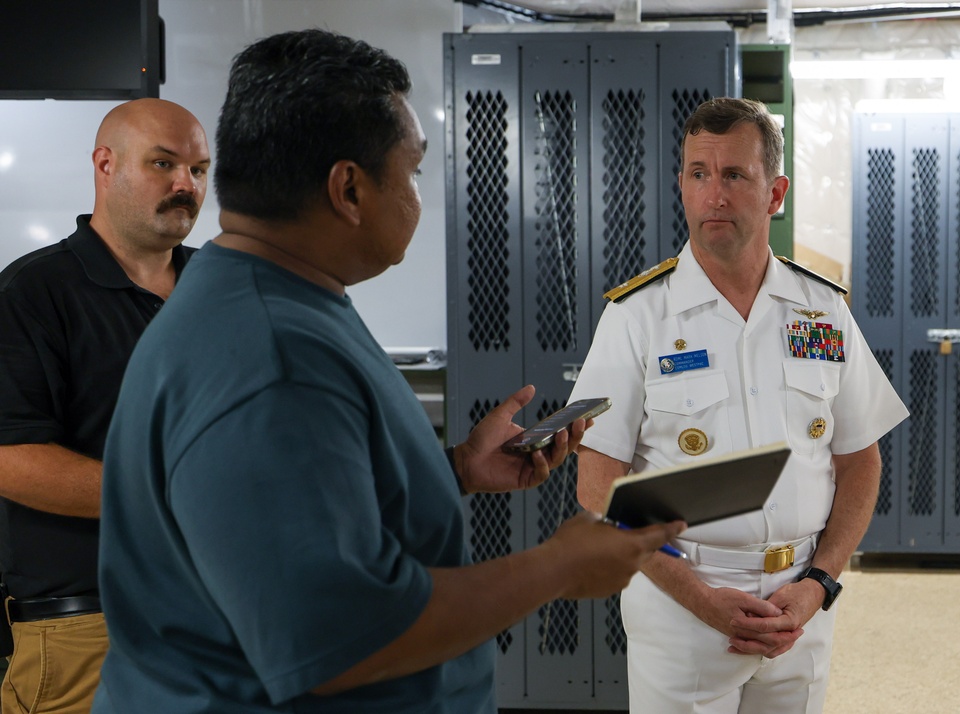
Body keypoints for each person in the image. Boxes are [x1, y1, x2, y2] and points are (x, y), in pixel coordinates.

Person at [90, 29, 683, 714]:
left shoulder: (274, 299)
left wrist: (453, 469)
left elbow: (304, 505)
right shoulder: (273, 356)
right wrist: (557, 567)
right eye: (414, 171)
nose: (417, 193)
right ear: (349, 188)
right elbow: (346, 641)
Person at [570, 97, 909, 713]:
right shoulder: (637, 317)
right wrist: (701, 598)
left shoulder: (821, 310)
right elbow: (596, 487)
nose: (714, 196)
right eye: (699, 175)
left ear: (775, 193)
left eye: (734, 176)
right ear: (682, 186)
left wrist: (820, 584)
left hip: (798, 608)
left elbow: (860, 461)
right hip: (682, 611)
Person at [0, 98, 210, 713]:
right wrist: (176, 498)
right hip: (89, 634)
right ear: (105, 164)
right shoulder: (32, 294)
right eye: (164, 163)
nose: (185, 185)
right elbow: (10, 459)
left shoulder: (221, 289)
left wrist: (459, 464)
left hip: (222, 621)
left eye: (199, 169)